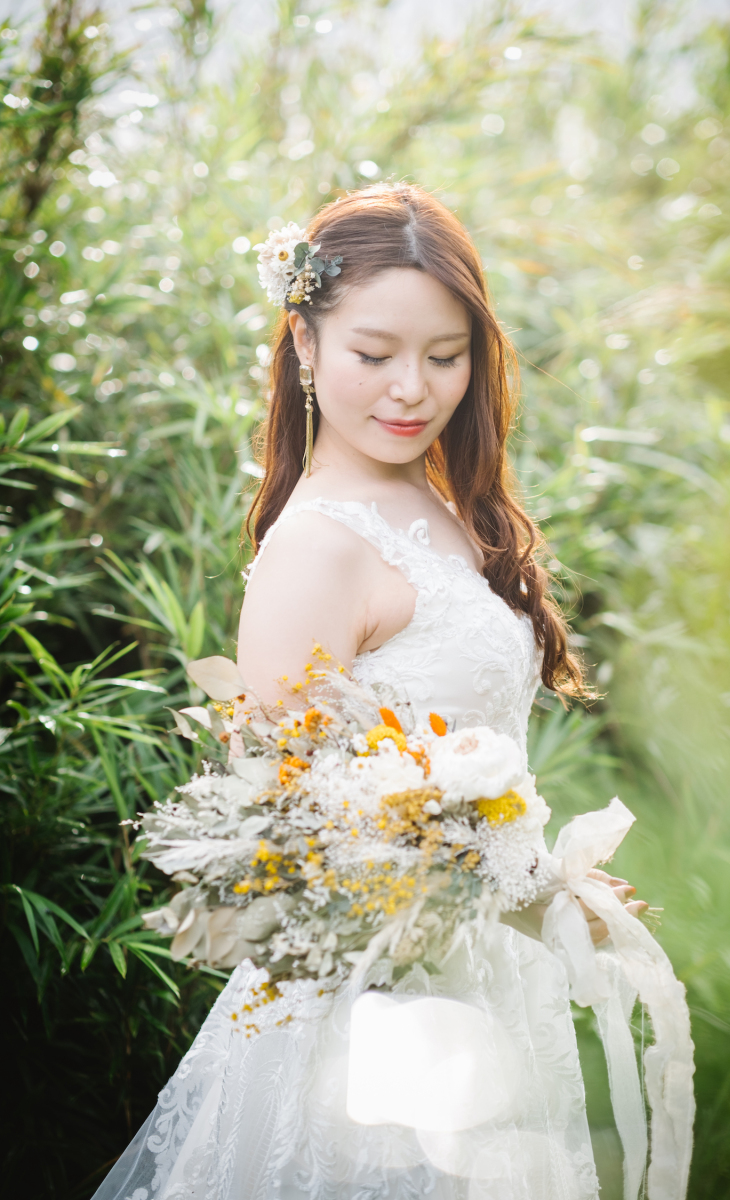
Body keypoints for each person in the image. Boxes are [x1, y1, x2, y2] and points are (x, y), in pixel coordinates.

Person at [93, 183, 650, 1200]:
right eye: (373, 354)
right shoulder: (316, 549)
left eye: (445, 357)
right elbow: (291, 836)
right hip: (370, 1013)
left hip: (472, 979)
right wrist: (521, 890)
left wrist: (537, 883)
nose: (411, 390)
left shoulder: (428, 497)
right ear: (304, 346)